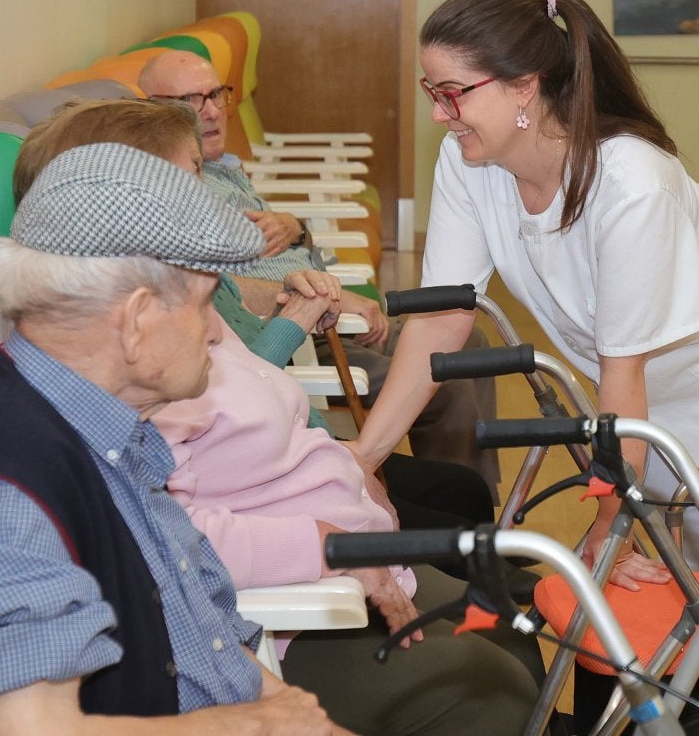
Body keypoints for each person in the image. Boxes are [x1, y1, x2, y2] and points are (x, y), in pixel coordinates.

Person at [0, 141, 588, 736]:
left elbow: (200, 627)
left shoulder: (102, 432)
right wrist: (260, 728)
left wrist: (314, 728)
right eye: (205, 303)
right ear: (139, 319)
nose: (217, 331)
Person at [3, 96, 558, 736]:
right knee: (487, 684)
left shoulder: (162, 303)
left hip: (313, 573)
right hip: (276, 617)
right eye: (187, 183)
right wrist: (323, 548)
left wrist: (350, 470)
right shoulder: (105, 355)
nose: (204, 200)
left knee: (515, 623)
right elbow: (159, 549)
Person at [349, 0, 699, 663]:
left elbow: (623, 372)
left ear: (525, 87)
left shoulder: (631, 182)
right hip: (643, 391)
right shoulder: (473, 166)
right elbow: (439, 319)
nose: (440, 114)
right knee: (683, 576)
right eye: (431, 90)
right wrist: (363, 458)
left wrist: (613, 529)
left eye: (454, 93)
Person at [138, 50, 501, 495]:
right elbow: (226, 291)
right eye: (190, 101)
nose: (212, 112)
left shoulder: (220, 168)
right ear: (151, 110)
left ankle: (479, 500)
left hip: (321, 307)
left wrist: (298, 229)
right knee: (445, 375)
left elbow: (273, 251)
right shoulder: (175, 188)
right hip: (303, 335)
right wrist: (336, 299)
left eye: (216, 94)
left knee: (472, 341)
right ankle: (459, 504)